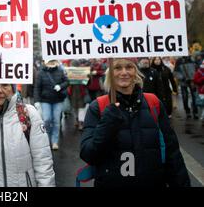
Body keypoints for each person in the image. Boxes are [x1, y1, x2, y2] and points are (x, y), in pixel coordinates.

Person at [80, 58, 190, 187]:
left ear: (136, 72)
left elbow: (172, 152)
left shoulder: (153, 103)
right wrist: (107, 122)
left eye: (129, 67)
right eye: (117, 68)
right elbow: (88, 154)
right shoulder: (98, 106)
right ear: (110, 73)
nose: (124, 72)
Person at [34, 59, 68, 150]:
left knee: (56, 121)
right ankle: (47, 139)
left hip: (57, 100)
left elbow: (66, 82)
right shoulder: (41, 73)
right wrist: (36, 101)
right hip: (45, 100)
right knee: (47, 120)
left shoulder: (61, 71)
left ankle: (54, 142)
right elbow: (37, 87)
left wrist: (60, 86)